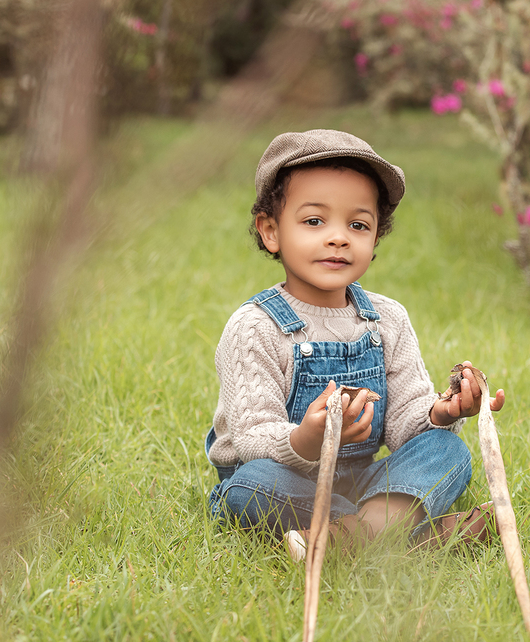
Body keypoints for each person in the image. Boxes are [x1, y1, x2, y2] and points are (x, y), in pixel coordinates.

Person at [204, 129, 506, 559]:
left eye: (358, 225)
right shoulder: (254, 327)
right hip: (288, 480)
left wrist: (443, 412)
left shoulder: (386, 319)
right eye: (314, 221)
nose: (339, 237)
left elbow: (404, 422)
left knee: (447, 451)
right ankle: (412, 536)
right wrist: (306, 438)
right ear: (271, 231)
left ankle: (349, 537)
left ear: (375, 237)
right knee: (250, 487)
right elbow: (252, 436)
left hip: (360, 481)